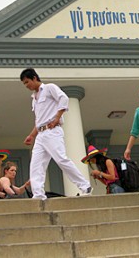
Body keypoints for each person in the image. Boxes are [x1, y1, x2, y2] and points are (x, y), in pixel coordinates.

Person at [20, 68, 92, 200]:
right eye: (24, 84)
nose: (27, 85)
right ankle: (38, 194)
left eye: (27, 82)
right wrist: (31, 135)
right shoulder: (34, 98)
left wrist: (57, 117)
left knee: (61, 159)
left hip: (53, 131)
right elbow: (39, 120)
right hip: (41, 134)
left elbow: (63, 99)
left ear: (35, 78)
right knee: (36, 164)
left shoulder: (49, 88)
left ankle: (85, 185)